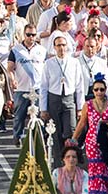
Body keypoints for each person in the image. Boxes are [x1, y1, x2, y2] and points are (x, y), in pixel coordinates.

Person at [40, 29, 85, 168]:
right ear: (54, 48)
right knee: (56, 132)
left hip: (69, 99)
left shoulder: (74, 62)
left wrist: (80, 107)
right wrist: (43, 108)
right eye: (58, 45)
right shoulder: (49, 63)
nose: (61, 48)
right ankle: (59, 163)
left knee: (71, 132)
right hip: (54, 99)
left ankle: (72, 160)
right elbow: (44, 87)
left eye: (63, 45)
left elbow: (79, 86)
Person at [69, 73, 108, 193]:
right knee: (95, 167)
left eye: (101, 89)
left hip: (107, 141)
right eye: (96, 90)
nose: (99, 92)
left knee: (106, 166)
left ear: (105, 90)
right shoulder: (88, 105)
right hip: (92, 141)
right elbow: (82, 123)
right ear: (93, 91)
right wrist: (74, 138)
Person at [8, 23, 47, 145]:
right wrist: (12, 79)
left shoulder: (42, 50)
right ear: (24, 35)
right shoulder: (16, 50)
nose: (31, 37)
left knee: (38, 115)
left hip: (37, 88)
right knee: (19, 115)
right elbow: (10, 68)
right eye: (28, 35)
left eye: (33, 35)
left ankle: (38, 138)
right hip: (21, 88)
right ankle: (17, 136)